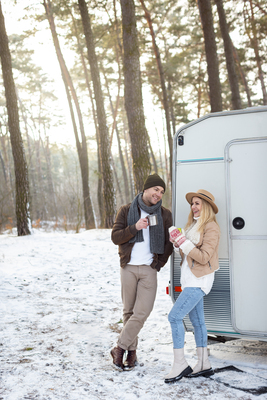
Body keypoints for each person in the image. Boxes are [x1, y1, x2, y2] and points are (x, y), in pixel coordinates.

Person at [111, 173, 173, 371]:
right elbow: (115, 237)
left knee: (142, 312)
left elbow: (168, 243)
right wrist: (134, 227)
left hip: (149, 269)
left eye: (162, 191)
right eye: (156, 189)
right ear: (146, 189)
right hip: (128, 267)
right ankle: (131, 353)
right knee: (129, 312)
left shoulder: (164, 214)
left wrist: (158, 264)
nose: (158, 194)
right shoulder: (126, 210)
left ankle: (119, 348)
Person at [165, 189, 220, 384]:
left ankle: (180, 363)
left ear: (206, 207)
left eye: (198, 203)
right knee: (198, 322)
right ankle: (204, 364)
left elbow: (204, 257)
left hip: (200, 281)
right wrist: (177, 243)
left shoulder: (211, 227)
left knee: (174, 317)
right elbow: (188, 255)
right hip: (189, 280)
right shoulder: (192, 226)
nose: (194, 207)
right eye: (192, 203)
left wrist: (184, 243)